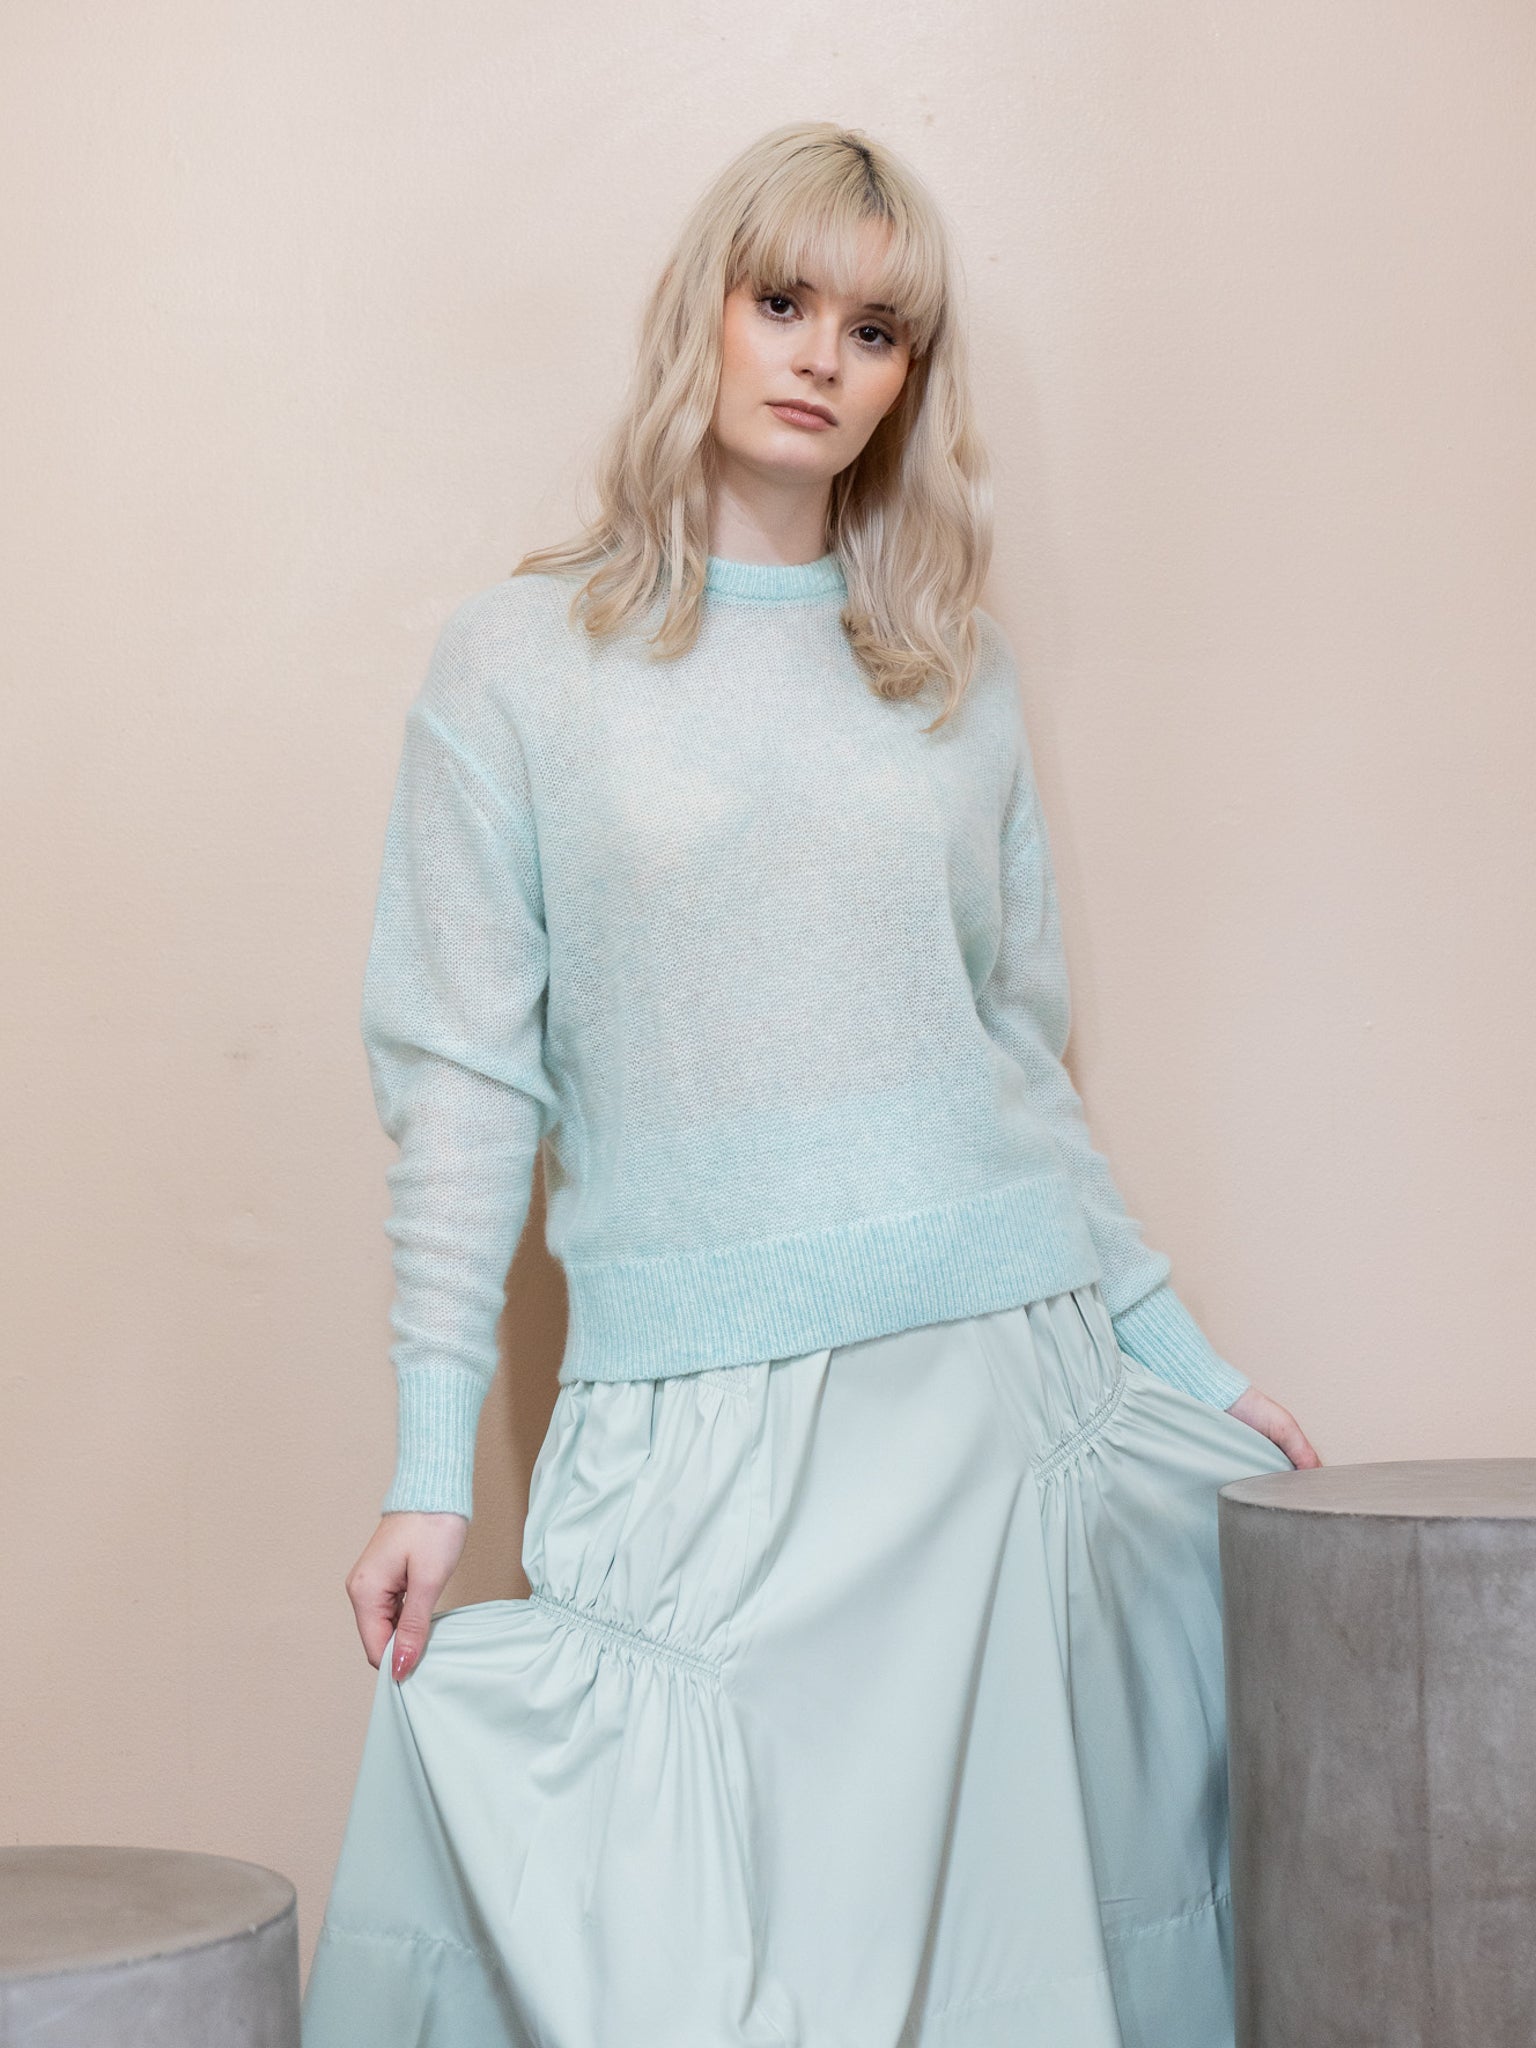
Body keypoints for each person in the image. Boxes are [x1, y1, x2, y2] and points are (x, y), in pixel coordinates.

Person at [301, 118, 1320, 2048]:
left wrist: (1177, 1351)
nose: (822, 359)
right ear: (704, 308)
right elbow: (460, 1088)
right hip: (703, 1433)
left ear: (909, 378)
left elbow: (1012, 1051)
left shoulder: (948, 668)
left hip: (1002, 1394)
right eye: (783, 301)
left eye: (876, 329)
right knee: (719, 1976)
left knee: (1025, 1969)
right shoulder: (518, 664)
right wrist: (433, 1468)